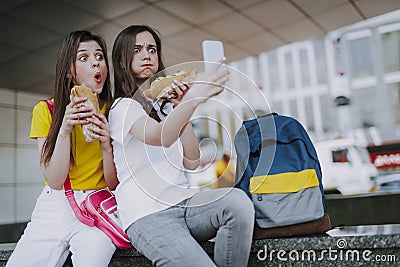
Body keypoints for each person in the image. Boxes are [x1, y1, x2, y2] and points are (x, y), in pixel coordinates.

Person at [109, 24, 255, 267]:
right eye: (137, 50)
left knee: (238, 202)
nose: (147, 55)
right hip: (147, 215)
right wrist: (193, 97)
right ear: (122, 62)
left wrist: (180, 106)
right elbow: (160, 136)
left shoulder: (165, 108)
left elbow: (192, 160)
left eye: (152, 49)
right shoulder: (122, 108)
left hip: (185, 204)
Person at [7, 31, 119, 267]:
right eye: (84, 58)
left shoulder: (116, 111)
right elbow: (55, 180)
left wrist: (106, 144)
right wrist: (65, 128)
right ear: (69, 71)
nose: (96, 62)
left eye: (99, 56)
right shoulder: (46, 110)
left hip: (97, 205)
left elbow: (114, 183)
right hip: (54, 205)